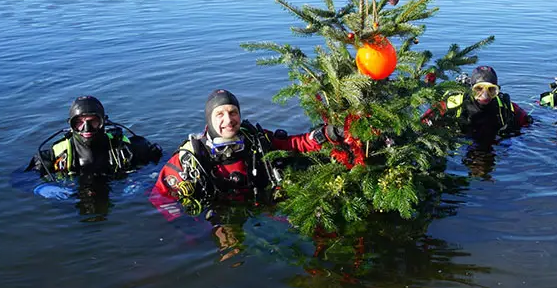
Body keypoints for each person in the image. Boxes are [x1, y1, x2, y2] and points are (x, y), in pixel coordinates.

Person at [150, 89, 344, 221]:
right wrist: (191, 233)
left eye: (233, 112)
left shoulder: (254, 138)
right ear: (209, 119)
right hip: (218, 216)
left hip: (260, 208)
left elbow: (293, 144)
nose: (229, 120)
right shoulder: (192, 157)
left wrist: (327, 134)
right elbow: (160, 197)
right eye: (220, 114)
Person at [25, 96, 162, 179]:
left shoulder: (125, 148)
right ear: (71, 124)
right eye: (79, 122)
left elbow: (162, 158)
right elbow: (22, 179)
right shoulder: (57, 154)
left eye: (93, 122)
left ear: (103, 122)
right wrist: (42, 187)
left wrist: (149, 177)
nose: (86, 129)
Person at [423, 66, 532, 141]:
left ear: (497, 91)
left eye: (491, 90)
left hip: (494, 144)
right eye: (478, 89)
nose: (485, 95)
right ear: (471, 89)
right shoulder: (452, 104)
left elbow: (528, 122)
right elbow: (422, 122)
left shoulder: (505, 107)